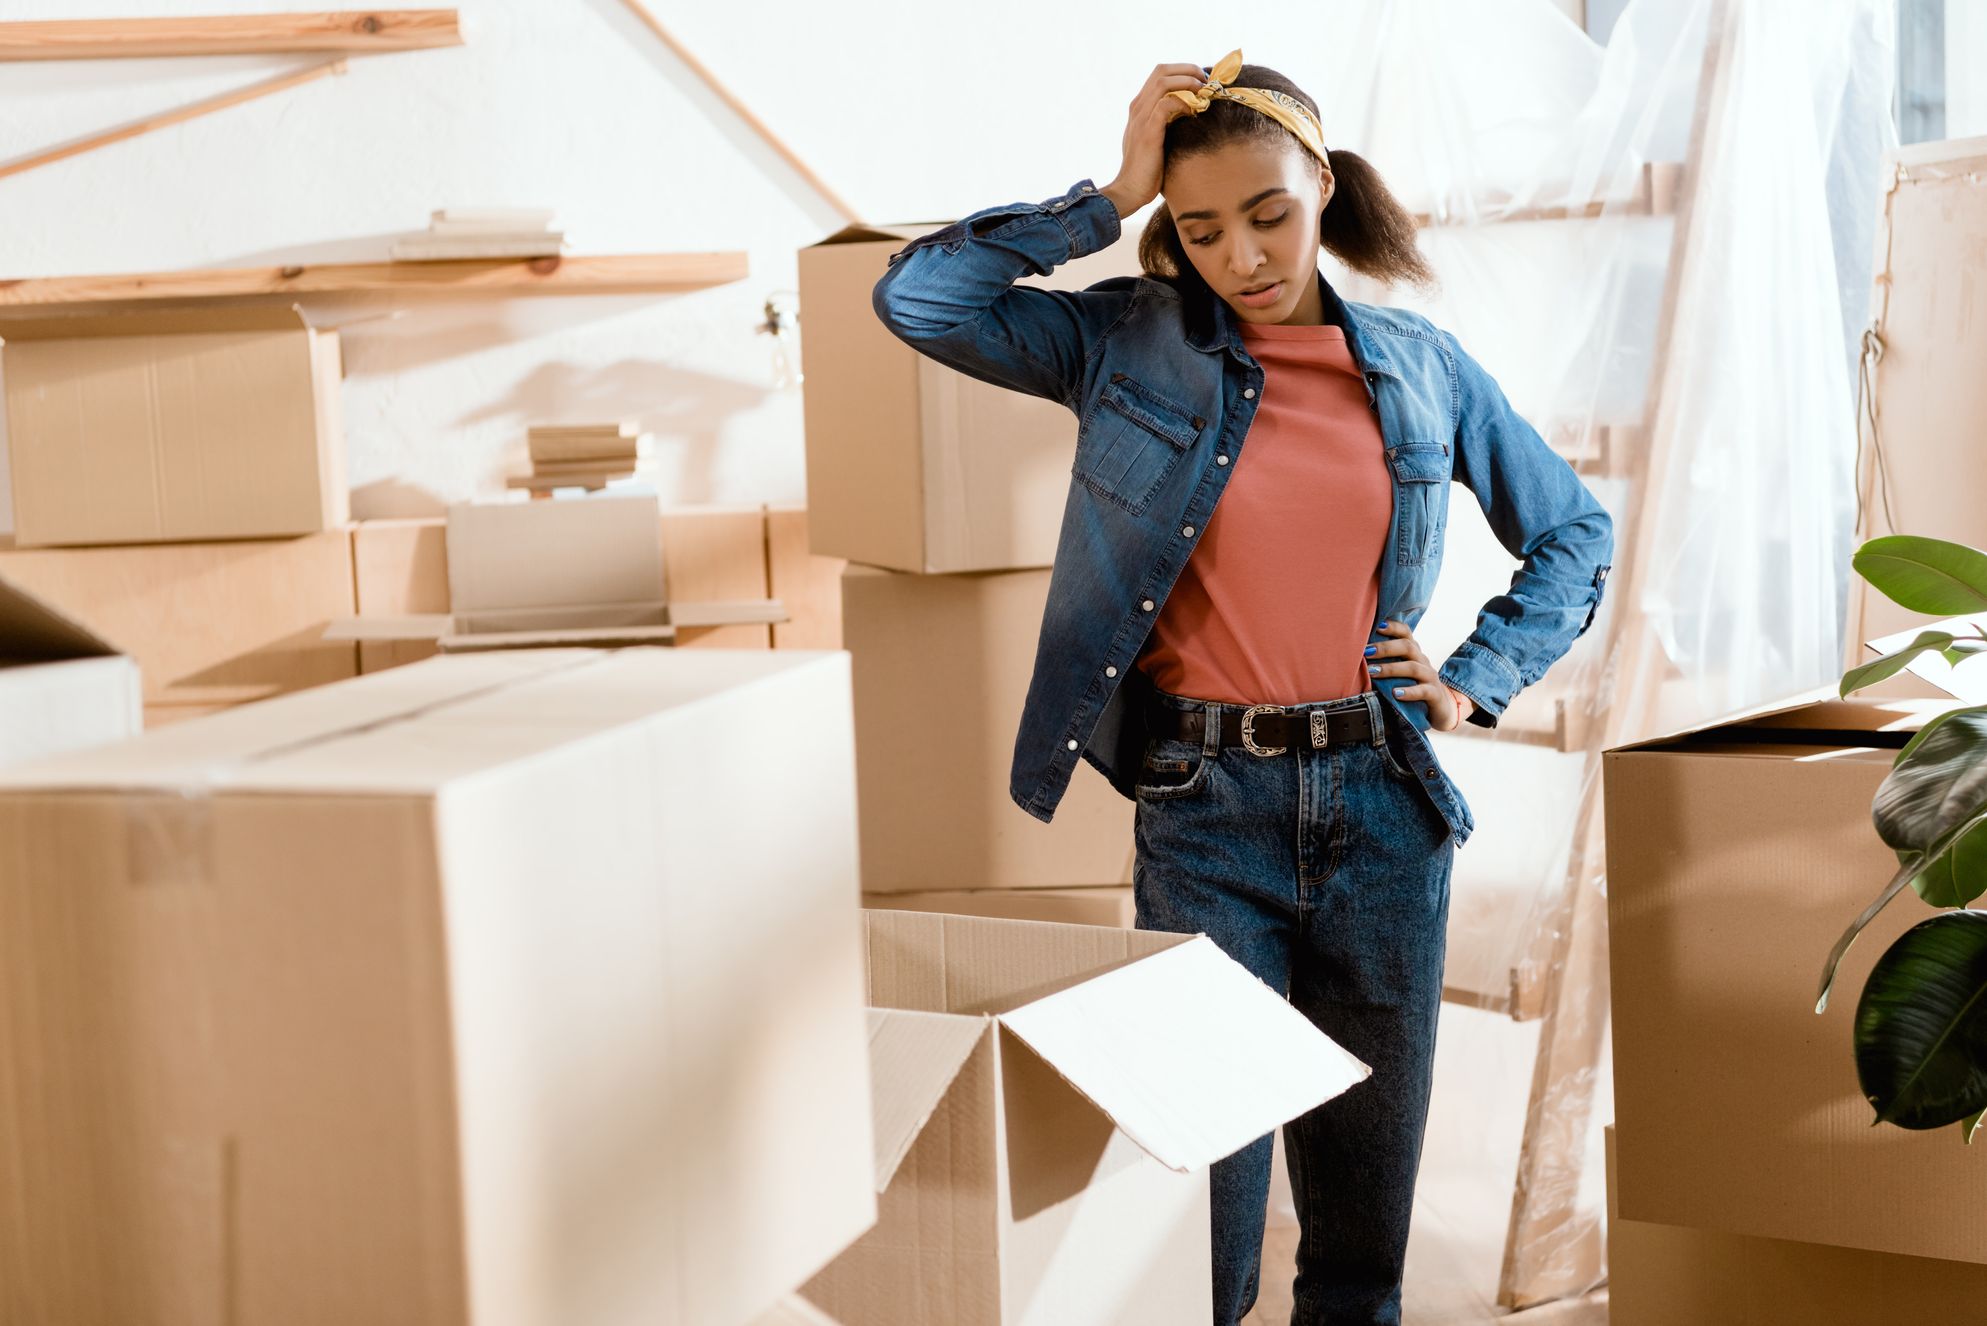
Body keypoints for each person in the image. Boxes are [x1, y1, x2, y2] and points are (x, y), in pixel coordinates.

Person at [870, 48, 1614, 1326]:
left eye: (1268, 213)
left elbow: (1573, 532)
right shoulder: (1123, 345)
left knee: (1360, 1226)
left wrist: (1477, 676)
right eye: (1201, 229)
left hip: (1385, 807)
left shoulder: (1420, 364)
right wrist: (1108, 195)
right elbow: (922, 302)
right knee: (1199, 1219)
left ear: (1321, 183)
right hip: (1204, 808)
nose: (1242, 255)